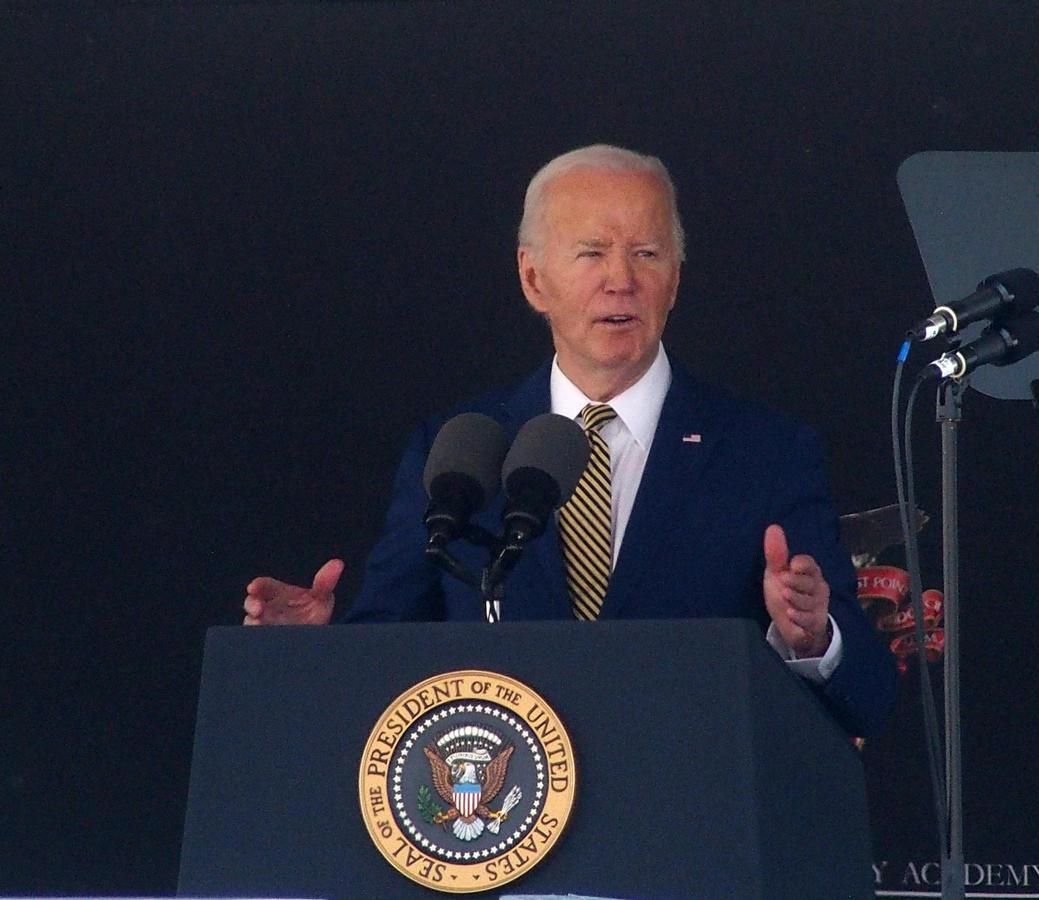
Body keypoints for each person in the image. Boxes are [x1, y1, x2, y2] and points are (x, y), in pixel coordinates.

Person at [244, 144, 895, 737]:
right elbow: (386, 655)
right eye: (592, 253)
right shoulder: (459, 450)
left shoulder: (766, 454)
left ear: (676, 275)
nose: (622, 279)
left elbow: (871, 695)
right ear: (534, 280)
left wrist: (812, 637)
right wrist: (311, 653)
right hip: (498, 840)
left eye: (646, 253)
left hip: (691, 832)